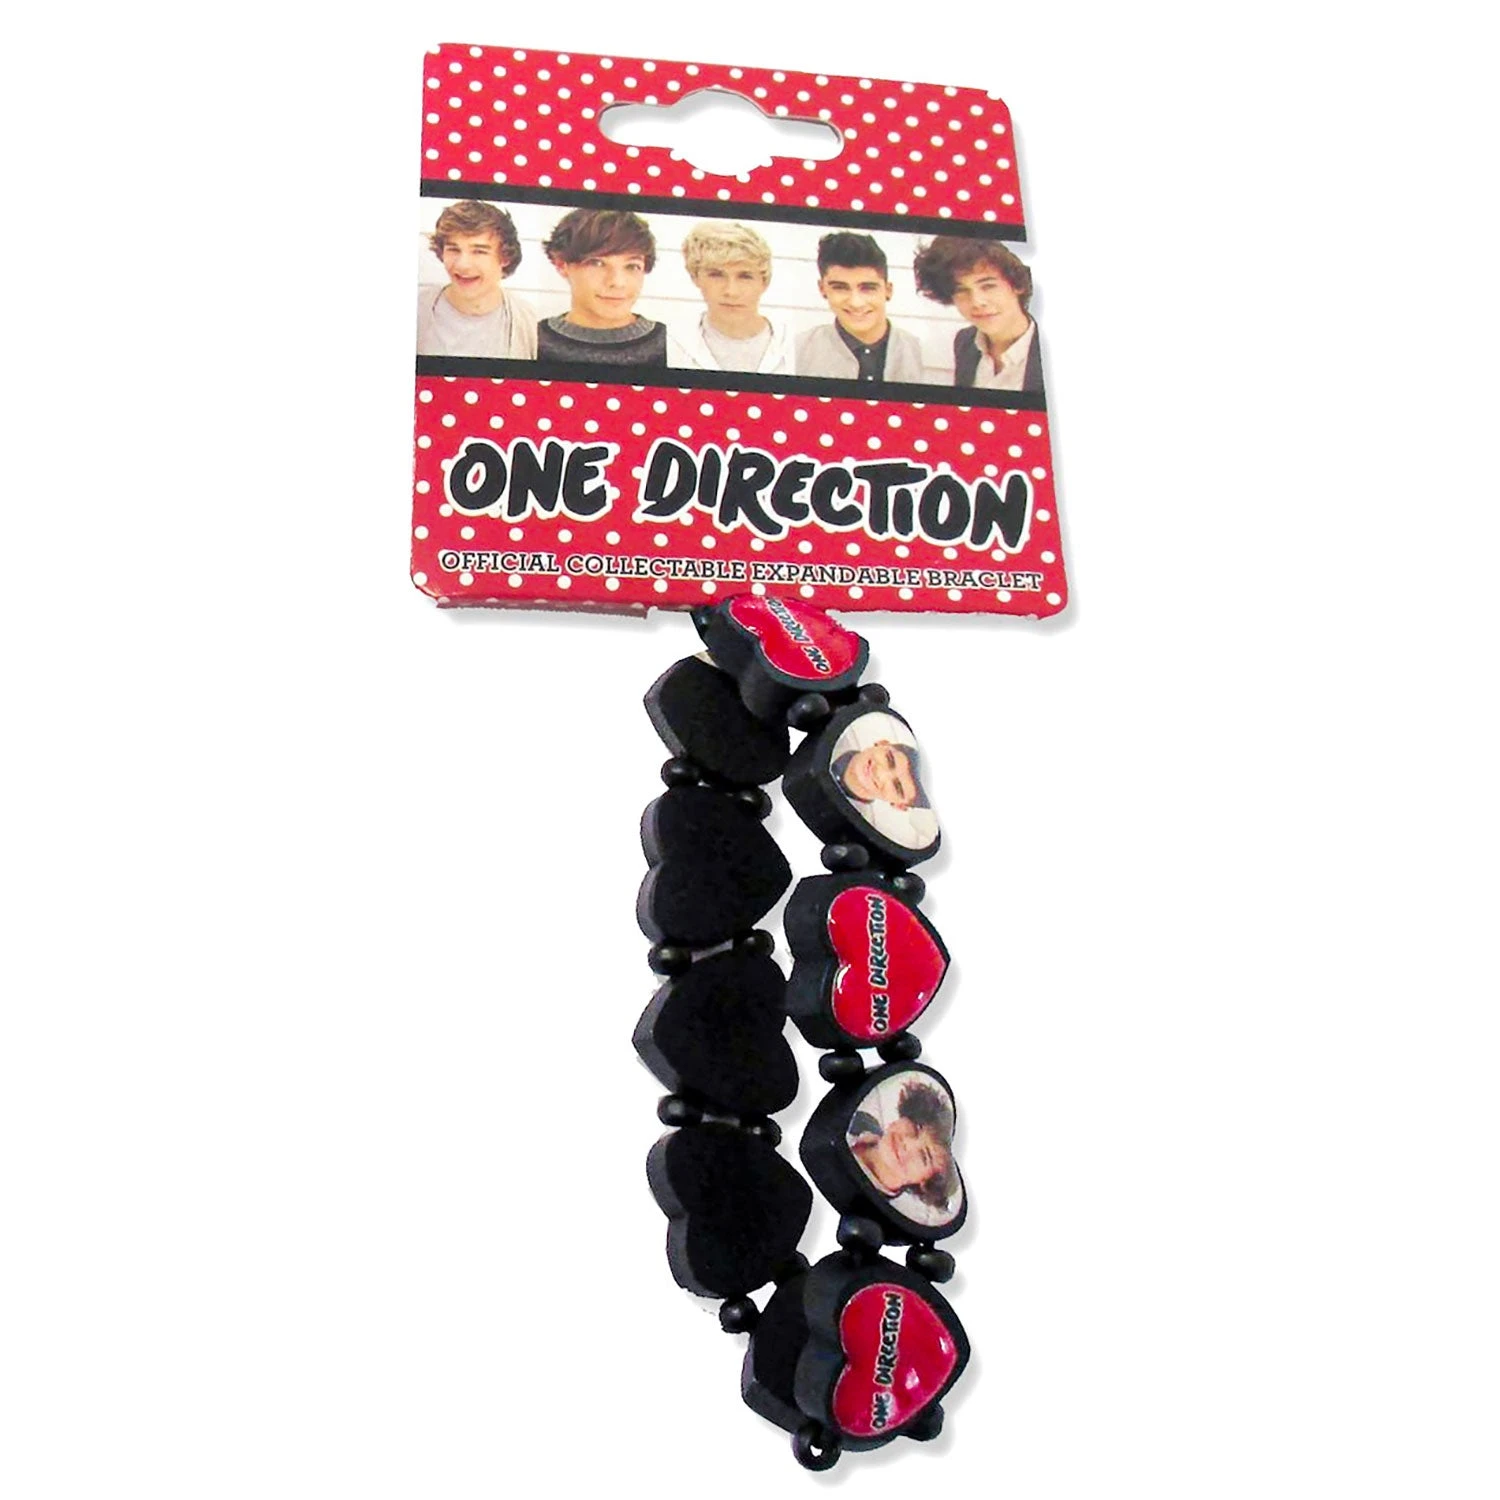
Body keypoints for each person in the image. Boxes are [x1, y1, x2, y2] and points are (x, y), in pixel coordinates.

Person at [537, 209, 667, 368]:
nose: (617, 282)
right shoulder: (529, 341)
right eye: (597, 263)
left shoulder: (672, 347)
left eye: (632, 266)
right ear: (562, 265)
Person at [912, 237, 1043, 393]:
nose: (976, 302)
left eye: (988, 286)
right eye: (961, 290)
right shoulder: (965, 342)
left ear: (1017, 285)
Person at [794, 232, 927, 384]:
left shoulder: (921, 352)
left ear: (888, 290)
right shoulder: (795, 351)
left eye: (868, 288)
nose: (856, 303)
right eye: (840, 288)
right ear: (822, 289)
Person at [416, 200, 538, 358]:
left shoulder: (528, 322)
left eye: (479, 251)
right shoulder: (418, 310)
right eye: (453, 249)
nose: (462, 265)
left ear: (505, 257)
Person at [668, 221, 793, 374]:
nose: (731, 291)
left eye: (745, 276)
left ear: (764, 282)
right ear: (695, 277)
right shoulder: (670, 345)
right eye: (716, 275)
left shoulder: (795, 346)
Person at [847, 1075, 961, 1221]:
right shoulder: (860, 1119)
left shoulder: (876, 1214)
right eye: (916, 1127)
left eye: (924, 1156)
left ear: (925, 1184)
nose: (907, 1143)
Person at [828, 710, 939, 852]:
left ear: (899, 805)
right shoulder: (838, 730)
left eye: (897, 787)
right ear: (882, 743)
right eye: (889, 759)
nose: (880, 773)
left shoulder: (856, 829)